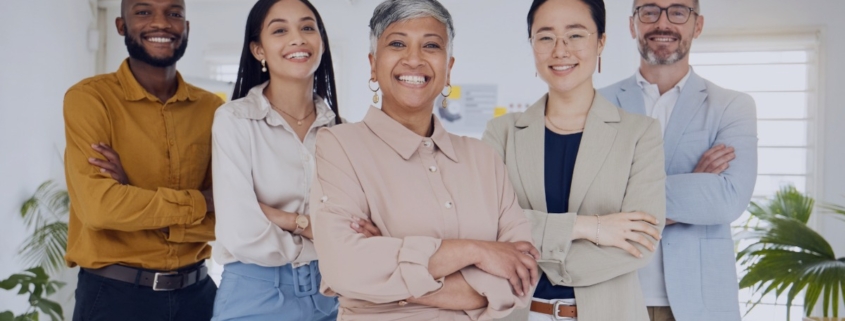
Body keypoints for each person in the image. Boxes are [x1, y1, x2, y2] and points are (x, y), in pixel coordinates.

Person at [309, 0, 539, 320]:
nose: (414, 59)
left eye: (431, 45)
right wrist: (477, 252)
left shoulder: (484, 159)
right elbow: (345, 267)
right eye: (398, 43)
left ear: (449, 69)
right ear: (373, 65)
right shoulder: (338, 146)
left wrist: (392, 282)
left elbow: (523, 276)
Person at [483, 0, 667, 320]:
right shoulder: (502, 132)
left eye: (576, 35)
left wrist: (532, 257)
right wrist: (591, 227)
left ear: (601, 42)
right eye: (545, 37)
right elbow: (484, 225)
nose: (560, 50)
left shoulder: (640, 134)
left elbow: (641, 242)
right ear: (532, 46)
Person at [63, 0, 222, 320]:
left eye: (174, 14)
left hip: (199, 297)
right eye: (144, 11)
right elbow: (101, 208)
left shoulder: (211, 110)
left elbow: (230, 216)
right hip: (114, 299)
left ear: (186, 28)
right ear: (121, 25)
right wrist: (201, 203)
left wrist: (132, 194)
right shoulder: (90, 99)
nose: (161, 23)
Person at [599, 0, 758, 320]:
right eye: (649, 11)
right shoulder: (597, 106)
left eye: (678, 11)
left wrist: (628, 196)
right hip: (613, 298)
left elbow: (727, 200)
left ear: (697, 25)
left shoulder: (732, 106)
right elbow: (587, 202)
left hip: (700, 304)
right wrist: (696, 183)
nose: (663, 22)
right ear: (632, 25)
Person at [209, 0, 340, 320]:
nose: (298, 38)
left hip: (330, 295)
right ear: (258, 50)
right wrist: (307, 226)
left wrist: (274, 215)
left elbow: (350, 226)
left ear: (320, 43)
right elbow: (241, 232)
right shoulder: (235, 120)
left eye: (308, 27)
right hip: (256, 295)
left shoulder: (340, 132)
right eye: (280, 30)